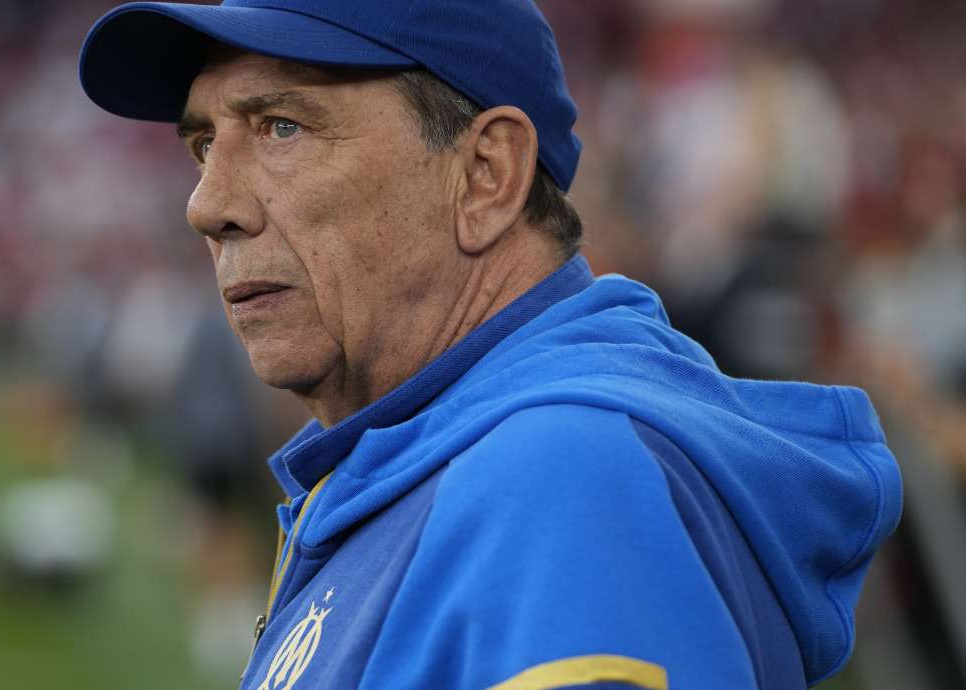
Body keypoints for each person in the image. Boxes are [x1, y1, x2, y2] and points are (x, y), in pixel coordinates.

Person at [78, 1, 903, 688]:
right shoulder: (449, 459)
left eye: (282, 127)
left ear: (487, 175)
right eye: (203, 145)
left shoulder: (561, 481)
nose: (206, 204)